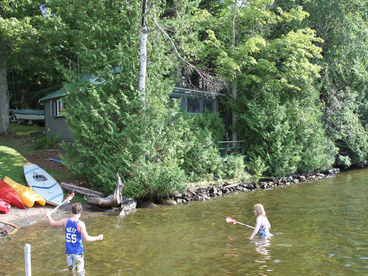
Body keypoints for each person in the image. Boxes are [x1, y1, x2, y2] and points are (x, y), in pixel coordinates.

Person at [46, 202, 103, 275]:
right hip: (77, 253)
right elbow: (87, 239)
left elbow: (53, 223)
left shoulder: (65, 221)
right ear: (80, 211)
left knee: (73, 272)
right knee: (79, 272)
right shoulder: (80, 224)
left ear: (72, 211)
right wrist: (97, 237)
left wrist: (48, 217)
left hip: (69, 253)